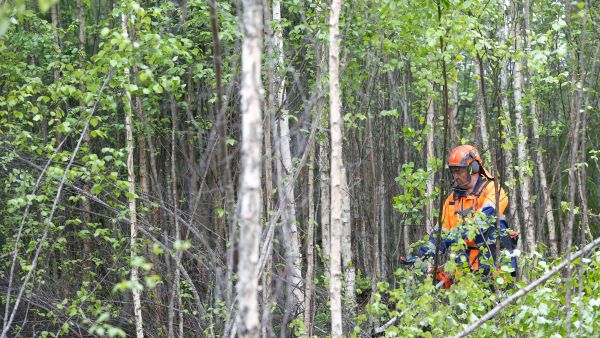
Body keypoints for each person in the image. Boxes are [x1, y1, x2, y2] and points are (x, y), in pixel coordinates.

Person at [403, 145, 518, 281]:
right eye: (453, 172)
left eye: (459, 171)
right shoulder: (452, 200)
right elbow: (440, 233)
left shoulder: (492, 189)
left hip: (496, 265)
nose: (455, 176)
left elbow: (480, 223)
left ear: (474, 168)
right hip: (467, 266)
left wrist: (452, 237)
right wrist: (422, 255)